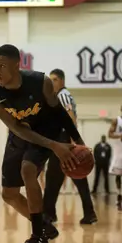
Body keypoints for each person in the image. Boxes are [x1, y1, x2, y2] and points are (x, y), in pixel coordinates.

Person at [0, 44, 84, 243]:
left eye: (2, 66)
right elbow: (17, 128)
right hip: (19, 134)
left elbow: (60, 113)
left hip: (46, 131)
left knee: (28, 169)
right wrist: (54, 146)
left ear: (17, 65)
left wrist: (78, 141)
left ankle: (39, 239)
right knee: (9, 194)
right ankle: (46, 227)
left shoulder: (41, 82)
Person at [43, 68, 96, 224]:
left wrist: (71, 141)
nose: (51, 82)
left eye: (55, 80)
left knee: (52, 178)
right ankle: (89, 213)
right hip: (63, 141)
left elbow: (70, 117)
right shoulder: (58, 96)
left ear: (62, 81)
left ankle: (48, 215)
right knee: (77, 178)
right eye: (50, 80)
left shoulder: (63, 95)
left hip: (63, 142)